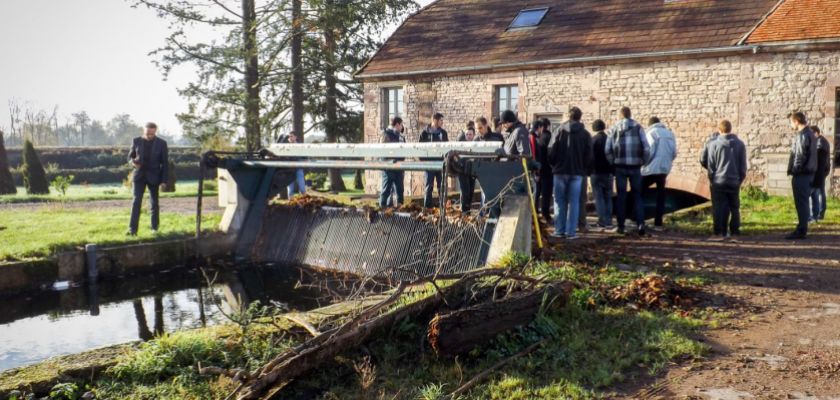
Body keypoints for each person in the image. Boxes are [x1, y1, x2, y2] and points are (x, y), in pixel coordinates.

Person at [548, 107, 592, 240]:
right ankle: (571, 232)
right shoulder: (585, 134)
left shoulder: (559, 130)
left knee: (559, 200)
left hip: (560, 170)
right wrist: (584, 168)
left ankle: (559, 230)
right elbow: (589, 155)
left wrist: (553, 165)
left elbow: (551, 149)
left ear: (569, 116)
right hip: (577, 171)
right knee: (574, 202)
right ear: (580, 117)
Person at [605, 107, 651, 236]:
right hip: (635, 166)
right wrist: (643, 161)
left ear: (620, 115)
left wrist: (612, 161)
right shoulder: (638, 127)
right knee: (637, 195)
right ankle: (641, 223)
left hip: (619, 166)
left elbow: (607, 149)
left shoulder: (614, 128)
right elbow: (646, 148)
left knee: (621, 196)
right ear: (630, 114)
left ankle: (621, 225)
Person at [705, 120, 747, 242]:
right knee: (734, 207)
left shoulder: (714, 144)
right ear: (730, 129)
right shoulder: (740, 144)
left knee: (719, 207)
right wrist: (739, 180)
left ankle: (719, 232)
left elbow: (711, 165)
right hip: (734, 180)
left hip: (719, 179)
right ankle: (734, 232)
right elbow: (742, 166)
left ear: (719, 130)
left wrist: (712, 179)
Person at [127, 122, 169, 236]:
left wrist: (164, 180)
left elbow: (165, 163)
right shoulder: (136, 141)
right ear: (143, 131)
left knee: (154, 203)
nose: (150, 135)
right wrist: (133, 163)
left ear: (155, 131)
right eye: (148, 133)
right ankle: (132, 230)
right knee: (136, 202)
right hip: (139, 176)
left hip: (154, 176)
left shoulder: (162, 143)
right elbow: (130, 157)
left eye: (152, 133)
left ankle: (154, 229)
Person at [641, 117, 678, 231]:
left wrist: (644, 164)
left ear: (650, 124)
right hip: (664, 169)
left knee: (639, 192)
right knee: (660, 195)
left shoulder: (651, 133)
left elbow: (649, 151)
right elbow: (674, 152)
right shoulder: (670, 134)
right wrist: (668, 163)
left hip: (651, 169)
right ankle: (658, 223)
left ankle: (639, 219)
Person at [786, 111, 818, 240]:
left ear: (796, 121)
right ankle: (802, 228)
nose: (791, 126)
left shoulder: (802, 135)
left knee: (801, 203)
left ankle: (801, 229)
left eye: (791, 123)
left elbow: (800, 155)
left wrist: (795, 170)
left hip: (802, 174)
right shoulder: (811, 134)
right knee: (803, 202)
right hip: (809, 173)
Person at [419, 113, 449, 208]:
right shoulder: (424, 133)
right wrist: (425, 162)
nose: (442, 122)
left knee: (442, 186)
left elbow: (446, 147)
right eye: (441, 120)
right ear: (435, 120)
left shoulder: (443, 133)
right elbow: (420, 149)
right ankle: (427, 207)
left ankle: (442, 207)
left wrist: (445, 161)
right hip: (429, 164)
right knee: (429, 186)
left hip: (441, 164)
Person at [590, 119, 614, 229]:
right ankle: (609, 220)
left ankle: (602, 221)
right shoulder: (610, 139)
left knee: (598, 197)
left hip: (596, 172)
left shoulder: (593, 140)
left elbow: (590, 157)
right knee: (608, 197)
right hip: (608, 172)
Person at [379, 117, 406, 208]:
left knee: (400, 190)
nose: (402, 127)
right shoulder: (385, 134)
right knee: (386, 189)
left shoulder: (401, 136)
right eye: (401, 124)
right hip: (389, 167)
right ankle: (382, 209)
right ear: (397, 124)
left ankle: (400, 209)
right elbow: (383, 152)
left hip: (399, 166)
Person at [810, 125, 831, 222]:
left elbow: (818, 157)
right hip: (821, 170)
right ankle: (818, 213)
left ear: (816, 133)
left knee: (818, 192)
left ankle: (819, 213)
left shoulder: (821, 142)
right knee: (819, 191)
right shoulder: (820, 141)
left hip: (821, 170)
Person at [537, 118, 554, 219]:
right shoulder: (549, 137)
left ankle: (538, 213)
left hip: (539, 169)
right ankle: (545, 214)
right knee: (546, 194)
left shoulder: (539, 138)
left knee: (538, 193)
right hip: (548, 170)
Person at [285, 133, 307, 198]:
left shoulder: (300, 146)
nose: (290, 138)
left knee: (302, 187)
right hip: (289, 170)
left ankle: (305, 202)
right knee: (290, 189)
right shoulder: (285, 147)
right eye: (289, 137)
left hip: (298, 168)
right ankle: (290, 204)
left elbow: (305, 157)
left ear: (295, 137)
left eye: (292, 136)